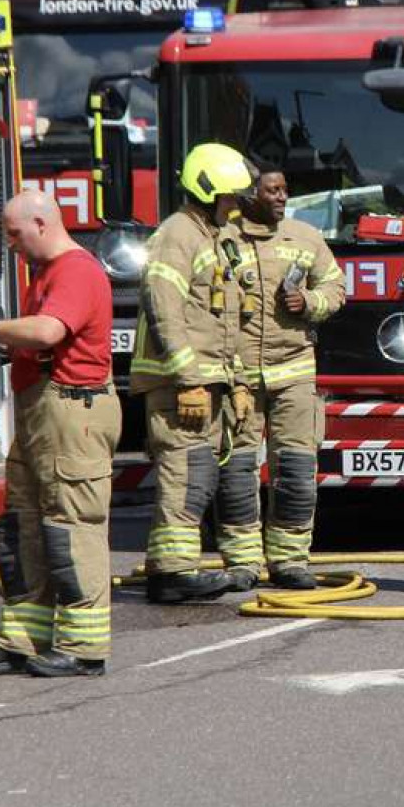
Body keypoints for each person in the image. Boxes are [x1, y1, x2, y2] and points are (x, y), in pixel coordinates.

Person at [0, 189, 121, 677]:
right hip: (43, 413)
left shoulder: (75, 269)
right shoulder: (47, 273)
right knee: (24, 525)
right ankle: (24, 639)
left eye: (14, 233)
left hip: (72, 413)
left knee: (71, 526)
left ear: (43, 224)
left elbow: (49, 332)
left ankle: (83, 647)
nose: (9, 244)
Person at [131, 142, 253, 604]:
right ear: (208, 194)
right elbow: (164, 307)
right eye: (230, 198)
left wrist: (236, 381)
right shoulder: (177, 235)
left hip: (206, 382)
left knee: (197, 475)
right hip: (179, 385)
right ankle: (173, 573)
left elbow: (222, 319)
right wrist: (189, 378)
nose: (236, 206)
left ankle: (177, 569)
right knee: (183, 474)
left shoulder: (211, 238)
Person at [215, 165, 345, 590]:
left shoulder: (305, 237)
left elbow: (336, 289)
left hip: (294, 374)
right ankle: (242, 563)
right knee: (236, 472)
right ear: (249, 194)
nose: (281, 197)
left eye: (285, 190)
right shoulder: (223, 239)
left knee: (296, 469)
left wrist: (308, 301)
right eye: (272, 190)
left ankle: (290, 561)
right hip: (239, 378)